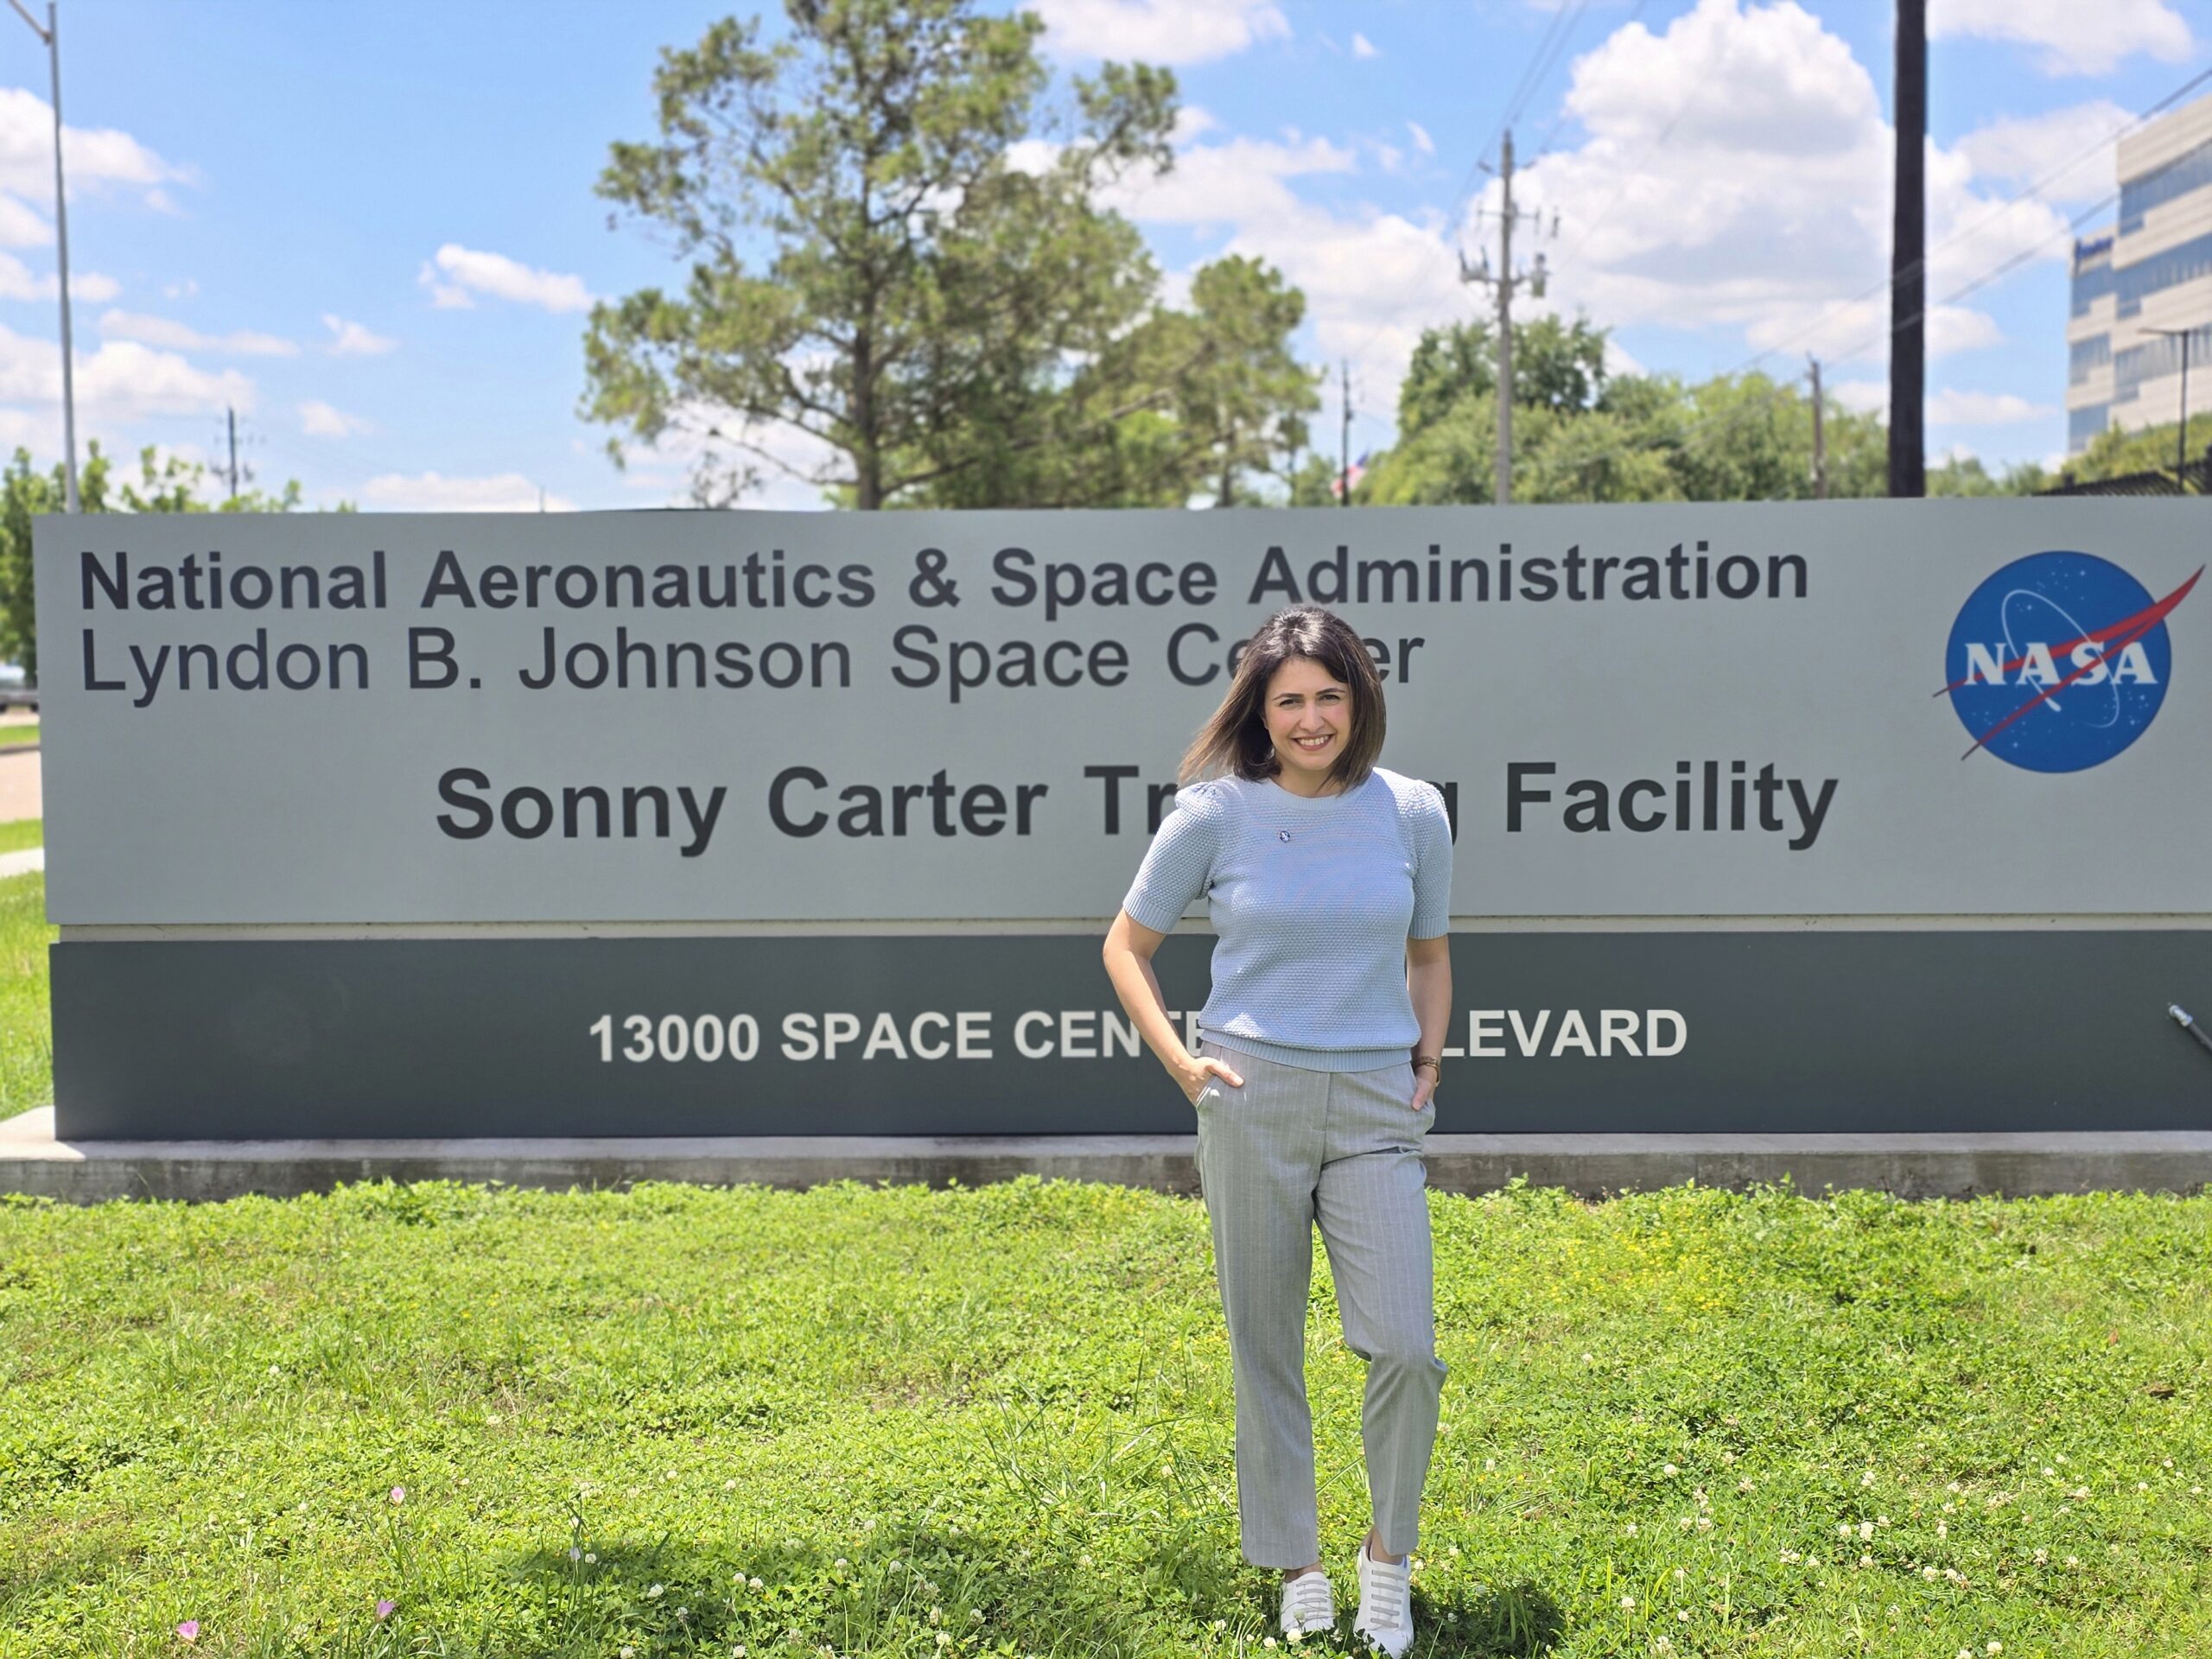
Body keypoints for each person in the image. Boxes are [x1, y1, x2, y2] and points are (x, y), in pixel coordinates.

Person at [1100, 605, 1453, 1656]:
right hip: (1250, 1097)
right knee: (1267, 1345)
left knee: (1406, 1346)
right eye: (1289, 700)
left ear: (1361, 701)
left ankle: (1386, 1559)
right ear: (1260, 710)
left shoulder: (1412, 812)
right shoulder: (1213, 813)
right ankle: (1296, 1562)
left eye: (1329, 696)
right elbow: (1125, 946)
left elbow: (1429, 954)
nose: (1310, 719)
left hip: (1375, 1104)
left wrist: (1426, 1059)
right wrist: (1181, 1061)